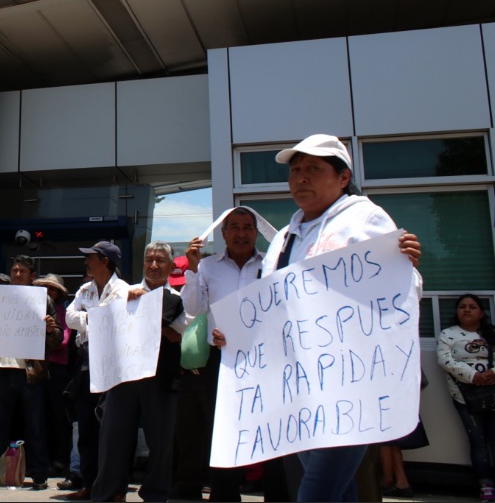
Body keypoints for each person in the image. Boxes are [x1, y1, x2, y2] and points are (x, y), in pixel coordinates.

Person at [213, 134, 421, 503]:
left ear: (343, 178)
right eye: (295, 171)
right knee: (337, 488)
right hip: (300, 385)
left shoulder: (364, 219)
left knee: (318, 488)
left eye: (313, 168)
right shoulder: (284, 238)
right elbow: (268, 306)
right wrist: (236, 333)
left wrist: (403, 265)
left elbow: (398, 291)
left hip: (351, 384)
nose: (301, 177)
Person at [176, 206, 273, 501]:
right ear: (223, 233)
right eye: (235, 227)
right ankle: (225, 495)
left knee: (268, 427)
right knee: (223, 431)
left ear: (256, 233)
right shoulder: (208, 267)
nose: (241, 234)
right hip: (222, 361)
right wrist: (192, 270)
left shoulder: (271, 264)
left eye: (247, 228)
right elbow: (194, 308)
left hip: (265, 360)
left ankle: (275, 491)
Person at [91, 241, 186, 503]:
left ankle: (155, 495)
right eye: (149, 260)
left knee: (160, 442)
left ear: (171, 266)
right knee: (114, 438)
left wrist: (143, 311)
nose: (154, 265)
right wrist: (156, 325)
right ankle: (110, 493)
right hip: (123, 376)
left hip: (162, 377)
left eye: (160, 260)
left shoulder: (179, 298)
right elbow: (103, 321)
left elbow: (176, 330)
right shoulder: (123, 293)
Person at [0, 255, 60, 490]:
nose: (17, 274)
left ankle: (39, 474)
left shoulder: (43, 300)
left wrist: (50, 330)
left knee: (35, 425)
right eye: (14, 270)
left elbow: (57, 339)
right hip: (2, 369)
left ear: (32, 276)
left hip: (30, 373)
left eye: (22, 271)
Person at [62, 240, 132, 500]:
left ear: (105, 261)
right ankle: (89, 484)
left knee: (113, 429)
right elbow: (69, 317)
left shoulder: (122, 289)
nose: (86, 262)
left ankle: (115, 488)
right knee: (86, 427)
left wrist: (88, 317)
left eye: (91, 257)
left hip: (112, 361)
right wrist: (93, 317)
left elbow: (114, 318)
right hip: (85, 361)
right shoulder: (84, 289)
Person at [438, 293, 495, 502]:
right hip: (465, 396)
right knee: (477, 440)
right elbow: (445, 360)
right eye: (462, 306)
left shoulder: (491, 333)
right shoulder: (448, 334)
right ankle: (486, 485)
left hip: (493, 393)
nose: (467, 310)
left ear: (481, 313)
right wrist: (473, 376)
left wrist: (492, 373)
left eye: (472, 306)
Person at [35, 272, 72, 478]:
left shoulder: (63, 312)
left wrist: (46, 334)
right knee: (39, 415)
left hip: (56, 368)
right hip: (36, 367)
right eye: (44, 288)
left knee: (58, 415)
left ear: (58, 293)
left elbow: (63, 341)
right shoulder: (30, 310)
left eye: (52, 289)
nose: (47, 292)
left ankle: (60, 460)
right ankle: (42, 459)